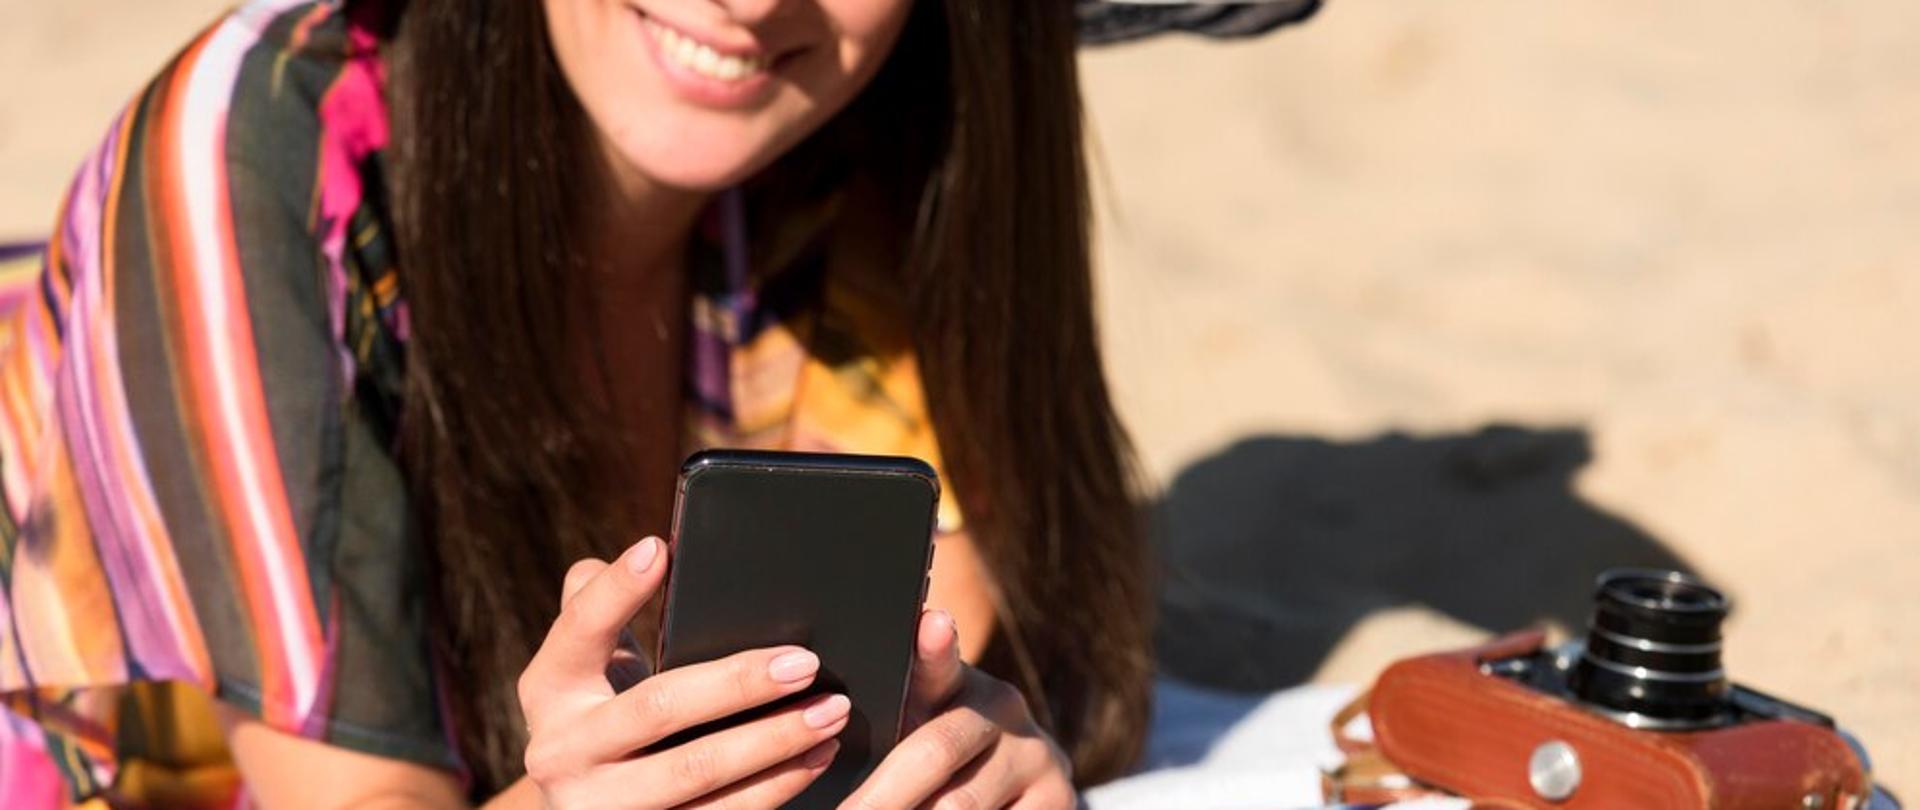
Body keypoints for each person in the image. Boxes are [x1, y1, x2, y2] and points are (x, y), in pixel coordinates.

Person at [0, 0, 1316, 807]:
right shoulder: (259, 159)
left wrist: (983, 759)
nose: (748, 2)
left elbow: (952, 633)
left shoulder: (868, 131)